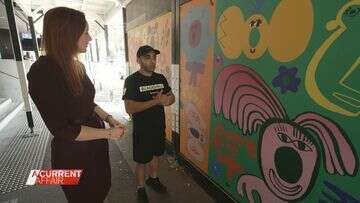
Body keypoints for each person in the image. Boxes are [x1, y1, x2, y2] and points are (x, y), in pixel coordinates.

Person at [27, 7, 125, 203]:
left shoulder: (76, 65)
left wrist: (109, 118)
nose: (90, 38)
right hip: (72, 154)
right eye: (85, 32)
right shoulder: (42, 72)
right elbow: (62, 129)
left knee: (101, 190)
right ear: (67, 34)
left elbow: (88, 102)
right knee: (82, 197)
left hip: (94, 146)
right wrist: (108, 133)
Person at [122, 45, 175, 202]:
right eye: (147, 57)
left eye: (154, 57)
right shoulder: (131, 81)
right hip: (142, 130)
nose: (152, 61)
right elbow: (129, 108)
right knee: (142, 161)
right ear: (138, 60)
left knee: (156, 156)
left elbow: (171, 97)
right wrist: (155, 102)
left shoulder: (160, 78)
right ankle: (141, 188)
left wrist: (168, 100)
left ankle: (153, 179)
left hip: (159, 127)